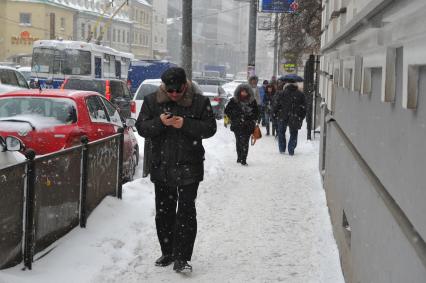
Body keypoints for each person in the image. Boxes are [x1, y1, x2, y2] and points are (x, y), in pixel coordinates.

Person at [135, 67, 217, 273]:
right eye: (170, 91)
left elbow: (210, 129)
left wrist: (186, 124)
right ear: (164, 87)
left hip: (190, 166)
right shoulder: (152, 101)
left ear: (185, 86)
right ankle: (168, 251)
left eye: (178, 91)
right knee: (164, 212)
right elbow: (142, 128)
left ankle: (182, 257)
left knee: (186, 212)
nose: (174, 95)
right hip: (162, 166)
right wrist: (160, 122)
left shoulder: (199, 101)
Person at [224, 84, 259, 166]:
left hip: (248, 125)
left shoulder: (252, 101)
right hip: (237, 125)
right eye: (242, 91)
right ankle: (239, 156)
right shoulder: (234, 101)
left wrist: (250, 116)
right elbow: (227, 111)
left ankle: (244, 159)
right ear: (239, 92)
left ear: (248, 92)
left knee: (245, 142)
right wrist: (234, 116)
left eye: (245, 92)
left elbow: (256, 113)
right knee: (239, 142)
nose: (243, 93)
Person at [273, 79, 306, 155]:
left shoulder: (282, 93)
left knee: (281, 132)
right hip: (295, 116)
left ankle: (282, 149)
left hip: (282, 115)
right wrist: (301, 117)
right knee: (294, 133)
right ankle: (291, 149)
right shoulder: (300, 94)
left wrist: (275, 114)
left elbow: (276, 105)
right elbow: (304, 107)